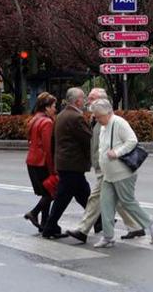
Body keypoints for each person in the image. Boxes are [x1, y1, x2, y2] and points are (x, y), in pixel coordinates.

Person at [66, 88, 144, 244]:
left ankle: (83, 229)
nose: (89, 102)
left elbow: (130, 141)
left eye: (92, 98)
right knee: (119, 199)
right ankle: (135, 226)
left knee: (95, 198)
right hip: (102, 165)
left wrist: (114, 154)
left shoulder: (112, 121)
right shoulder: (96, 118)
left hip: (111, 167)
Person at [91, 99, 153, 248]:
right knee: (106, 205)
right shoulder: (104, 125)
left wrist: (117, 152)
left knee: (128, 202)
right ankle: (108, 236)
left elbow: (132, 141)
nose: (97, 119)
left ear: (108, 112)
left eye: (98, 116)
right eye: (96, 116)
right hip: (109, 174)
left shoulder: (118, 123)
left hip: (122, 172)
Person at [41, 87, 92, 239]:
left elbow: (53, 141)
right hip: (73, 164)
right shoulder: (76, 117)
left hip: (64, 163)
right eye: (83, 98)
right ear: (77, 100)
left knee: (83, 194)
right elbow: (88, 138)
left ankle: (97, 220)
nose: (84, 101)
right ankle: (50, 227)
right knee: (64, 197)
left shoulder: (62, 115)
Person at [23, 92, 57, 231]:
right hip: (42, 163)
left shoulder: (33, 119)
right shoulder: (47, 122)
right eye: (54, 106)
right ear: (47, 107)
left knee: (46, 193)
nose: (55, 109)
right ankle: (34, 213)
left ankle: (44, 224)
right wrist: (53, 169)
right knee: (51, 193)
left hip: (32, 161)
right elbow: (48, 148)